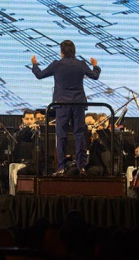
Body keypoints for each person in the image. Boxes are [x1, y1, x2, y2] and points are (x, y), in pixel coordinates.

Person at [31, 40, 101, 176]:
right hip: (78, 104)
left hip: (62, 104)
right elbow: (95, 76)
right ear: (74, 51)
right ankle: (81, 167)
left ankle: (61, 168)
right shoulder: (81, 64)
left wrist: (35, 64)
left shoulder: (57, 64)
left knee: (61, 135)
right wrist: (95, 66)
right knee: (79, 134)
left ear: (61, 52)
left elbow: (39, 75)